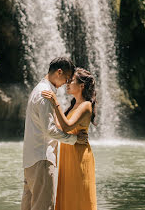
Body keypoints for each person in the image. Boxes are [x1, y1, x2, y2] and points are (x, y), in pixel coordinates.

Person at [21, 57, 88, 210]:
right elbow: (49, 130)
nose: (67, 83)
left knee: (28, 206)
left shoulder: (38, 89)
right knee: (44, 207)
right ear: (59, 72)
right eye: (67, 78)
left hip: (30, 159)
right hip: (42, 158)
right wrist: (74, 140)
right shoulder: (45, 94)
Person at [42, 68, 97, 210]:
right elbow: (60, 126)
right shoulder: (74, 106)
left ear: (81, 85)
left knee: (78, 196)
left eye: (71, 80)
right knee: (68, 194)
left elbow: (67, 127)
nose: (67, 83)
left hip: (79, 155)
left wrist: (55, 102)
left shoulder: (86, 105)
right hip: (69, 154)